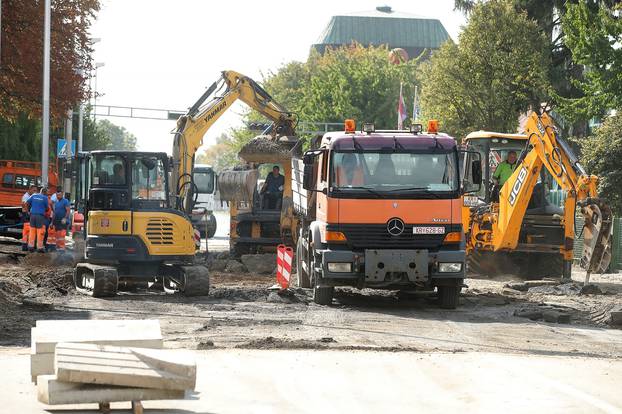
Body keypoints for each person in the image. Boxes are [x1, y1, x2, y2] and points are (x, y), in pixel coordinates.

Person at [26, 187, 50, 253]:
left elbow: (27, 203)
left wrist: (28, 211)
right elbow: (47, 208)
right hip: (40, 216)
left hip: (32, 215)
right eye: (47, 193)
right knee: (40, 231)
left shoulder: (33, 195)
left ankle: (31, 246)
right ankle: (39, 247)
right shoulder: (45, 198)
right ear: (44, 192)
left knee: (32, 230)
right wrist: (45, 209)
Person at [51, 187, 71, 253]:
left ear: (62, 194)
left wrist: (65, 218)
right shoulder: (56, 203)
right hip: (57, 221)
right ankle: (58, 247)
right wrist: (52, 222)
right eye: (57, 195)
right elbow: (55, 213)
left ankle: (62, 248)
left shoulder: (65, 201)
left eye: (59, 195)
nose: (58, 196)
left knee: (61, 235)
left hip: (63, 221)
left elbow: (68, 211)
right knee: (57, 235)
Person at [20, 185, 37, 251]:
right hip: (26, 215)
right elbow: (24, 205)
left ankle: (26, 246)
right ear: (30, 190)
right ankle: (25, 246)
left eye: (36, 190)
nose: (35, 192)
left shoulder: (30, 196)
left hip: (28, 214)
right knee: (27, 231)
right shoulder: (26, 196)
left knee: (29, 231)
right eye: (34, 190)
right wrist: (28, 212)